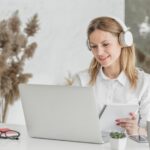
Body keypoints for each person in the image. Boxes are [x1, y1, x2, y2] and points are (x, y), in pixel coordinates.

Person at [73, 16, 150, 136]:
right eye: (94, 46)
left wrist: (137, 130)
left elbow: (147, 132)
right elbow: (72, 123)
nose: (99, 52)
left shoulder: (144, 83)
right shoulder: (81, 80)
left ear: (123, 41)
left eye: (105, 44)